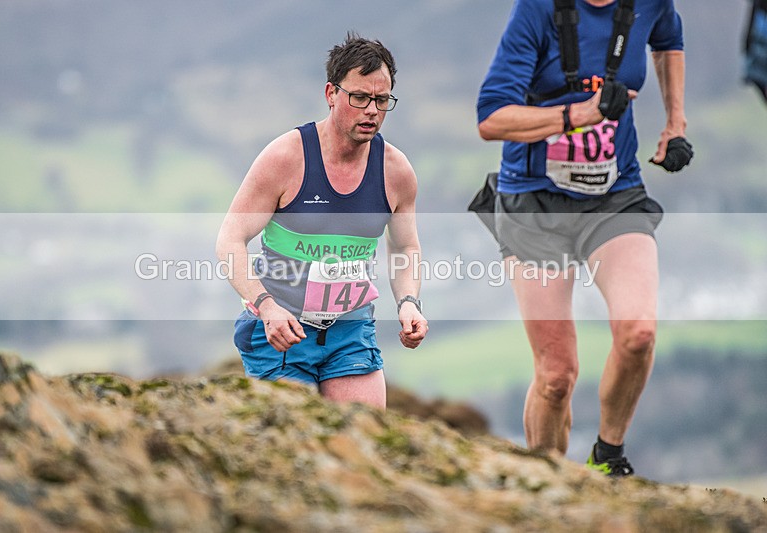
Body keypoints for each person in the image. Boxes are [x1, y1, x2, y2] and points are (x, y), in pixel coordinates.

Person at [476, 0, 693, 476]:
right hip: (534, 201)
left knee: (638, 334)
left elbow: (668, 40)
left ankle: (607, 459)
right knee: (556, 377)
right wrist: (579, 114)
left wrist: (675, 120)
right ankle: (548, 486)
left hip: (614, 196)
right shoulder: (537, 10)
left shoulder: (650, 3)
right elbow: (491, 119)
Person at [216, 33, 428, 410]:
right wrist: (265, 306)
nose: (372, 111)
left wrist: (409, 302)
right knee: (293, 454)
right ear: (331, 93)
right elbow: (230, 240)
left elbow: (405, 245)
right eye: (360, 97)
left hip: (350, 331)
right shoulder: (285, 158)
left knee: (364, 445)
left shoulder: (396, 171)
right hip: (281, 330)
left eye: (381, 101)